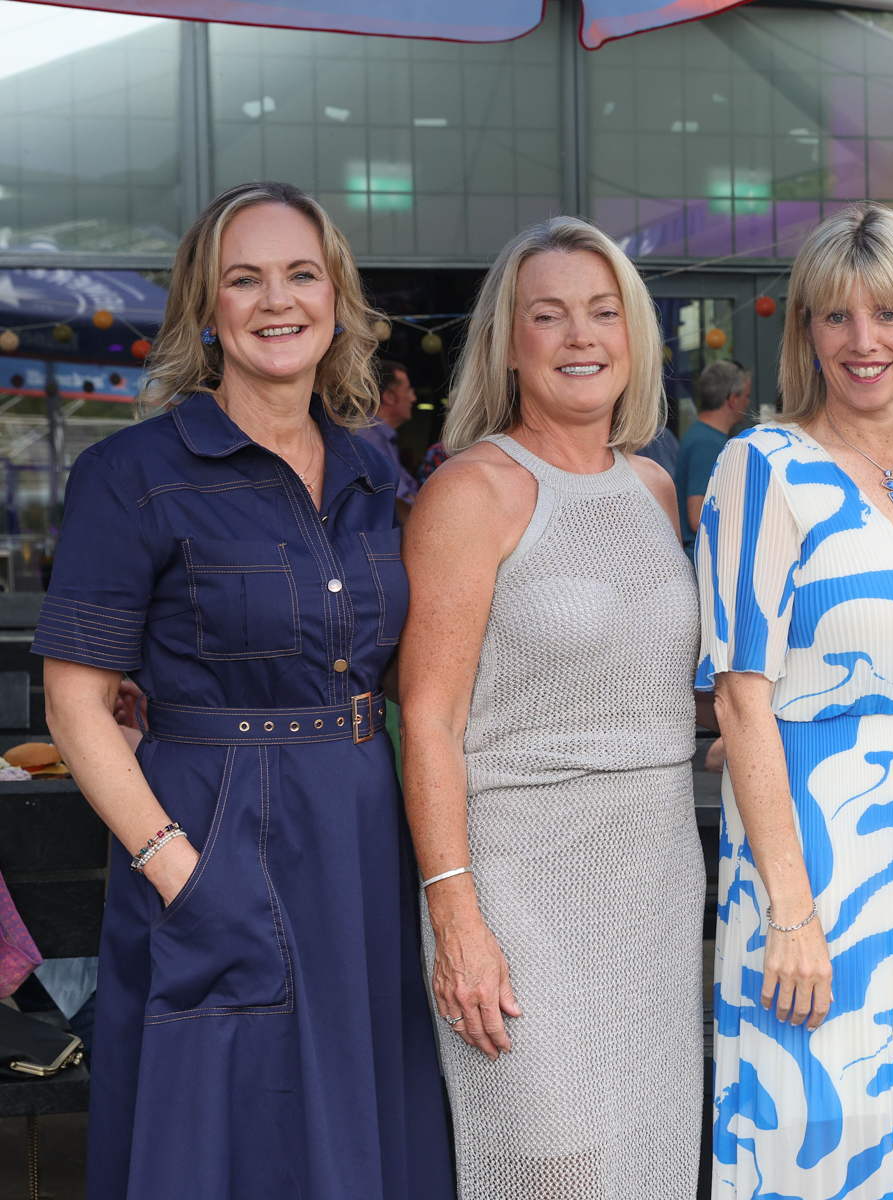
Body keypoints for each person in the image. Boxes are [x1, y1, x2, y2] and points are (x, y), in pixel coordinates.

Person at [35, 181, 452, 1200]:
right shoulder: (134, 473)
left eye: (302, 274)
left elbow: (406, 664)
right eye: (245, 278)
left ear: (337, 297)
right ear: (206, 308)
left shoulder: (373, 470)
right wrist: (179, 868)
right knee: (220, 1134)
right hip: (212, 831)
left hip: (357, 834)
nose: (278, 300)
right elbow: (74, 704)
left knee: (358, 1125)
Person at [698, 202, 893, 1198]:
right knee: (818, 1124)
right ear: (805, 333)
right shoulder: (764, 467)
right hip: (817, 858)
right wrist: (790, 909)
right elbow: (740, 698)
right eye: (836, 317)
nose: (864, 340)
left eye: (888, 314)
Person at [400, 216, 703, 1198]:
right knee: (552, 1169)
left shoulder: (655, 487)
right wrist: (458, 919)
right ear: (508, 343)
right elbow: (430, 720)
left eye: (603, 312)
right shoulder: (473, 491)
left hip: (656, 882)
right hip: (524, 889)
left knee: (651, 1157)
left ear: (635, 335)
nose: (581, 336)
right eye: (550, 315)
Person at [674, 358, 751, 555]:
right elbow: (697, 517)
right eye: (746, 396)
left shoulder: (702, 435)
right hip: (704, 559)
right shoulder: (706, 443)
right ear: (733, 400)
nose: (748, 402)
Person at [355, 358, 421, 517]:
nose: (413, 398)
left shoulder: (380, 438)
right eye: (408, 390)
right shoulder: (368, 438)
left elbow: (408, 491)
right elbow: (397, 498)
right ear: (389, 397)